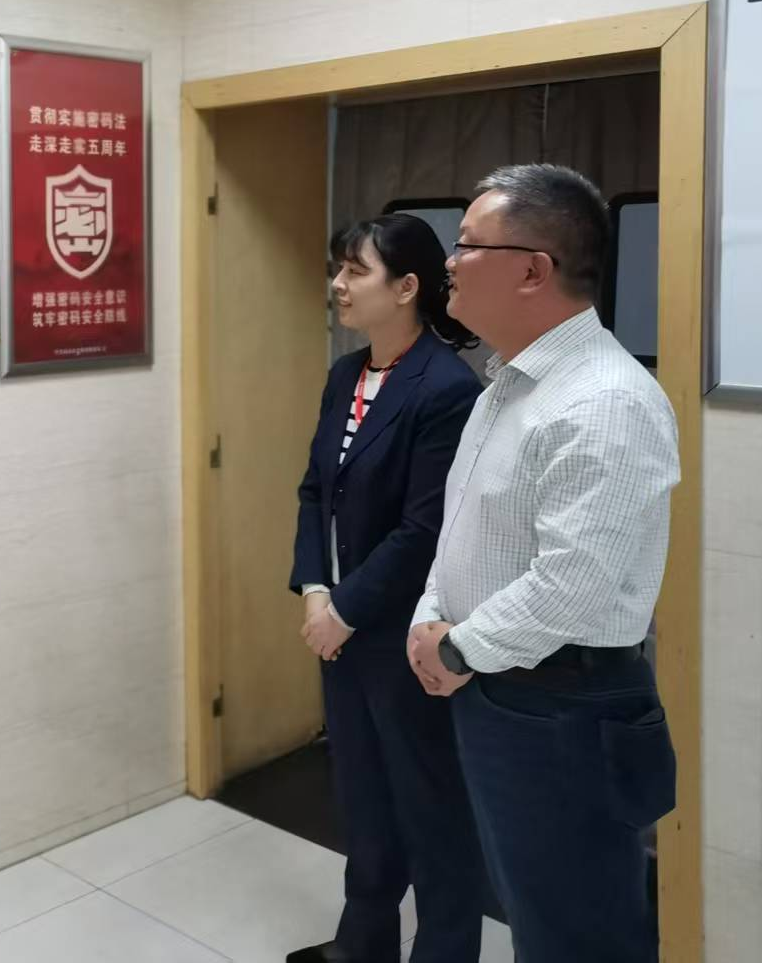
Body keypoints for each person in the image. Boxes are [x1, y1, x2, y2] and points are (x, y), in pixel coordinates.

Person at [407, 164, 679, 963]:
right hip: (499, 686)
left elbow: (572, 585)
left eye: (468, 243)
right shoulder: (506, 383)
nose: (450, 261)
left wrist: (457, 646)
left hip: (563, 704)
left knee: (577, 930)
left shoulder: (605, 399)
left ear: (533, 269)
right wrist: (431, 616)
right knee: (536, 907)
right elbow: (464, 524)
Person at [286, 214, 487, 963]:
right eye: (338, 268)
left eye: (354, 270)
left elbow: (424, 528)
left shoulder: (447, 387)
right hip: (341, 626)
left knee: (431, 805)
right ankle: (364, 941)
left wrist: (344, 607)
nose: (338, 284)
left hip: (408, 632)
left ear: (406, 287)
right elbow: (316, 491)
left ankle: (444, 951)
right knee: (363, 794)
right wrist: (315, 589)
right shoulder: (347, 374)